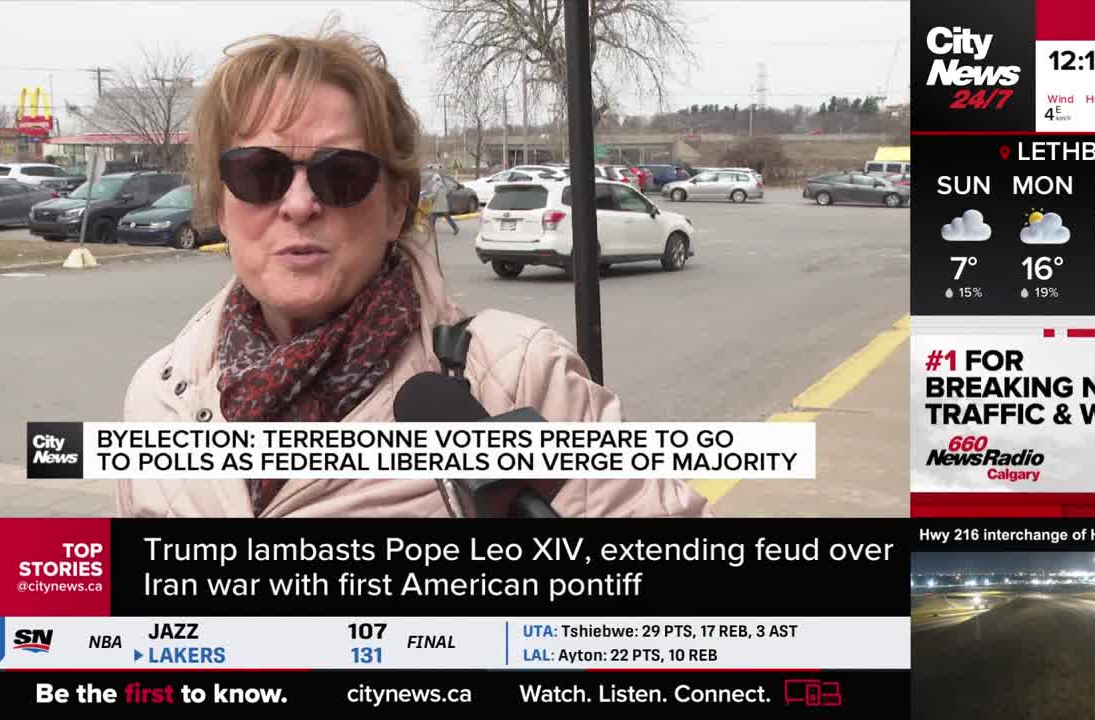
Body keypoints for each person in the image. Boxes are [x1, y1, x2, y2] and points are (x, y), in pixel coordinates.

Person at [116, 20, 711, 519]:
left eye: (340, 174)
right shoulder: (159, 394)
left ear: (397, 204)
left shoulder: (514, 374)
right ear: (221, 204)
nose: (298, 204)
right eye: (258, 173)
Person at [427, 171, 459, 236]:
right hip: (444, 205)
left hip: (437, 205)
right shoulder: (443, 185)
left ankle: (431, 231)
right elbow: (447, 192)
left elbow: (434, 195)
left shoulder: (435, 185)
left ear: (435, 179)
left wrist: (427, 197)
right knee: (448, 218)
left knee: (432, 217)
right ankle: (456, 228)